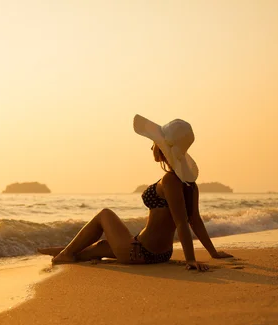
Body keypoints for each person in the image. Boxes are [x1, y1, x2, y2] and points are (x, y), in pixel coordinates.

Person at [38, 115, 232, 271]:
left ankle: (65, 254)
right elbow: (195, 220)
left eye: (155, 143)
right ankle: (65, 252)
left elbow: (183, 222)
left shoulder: (170, 181)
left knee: (105, 214)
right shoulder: (189, 183)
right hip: (160, 253)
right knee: (101, 247)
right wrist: (213, 253)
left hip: (139, 252)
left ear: (164, 149)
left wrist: (190, 259)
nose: (152, 146)